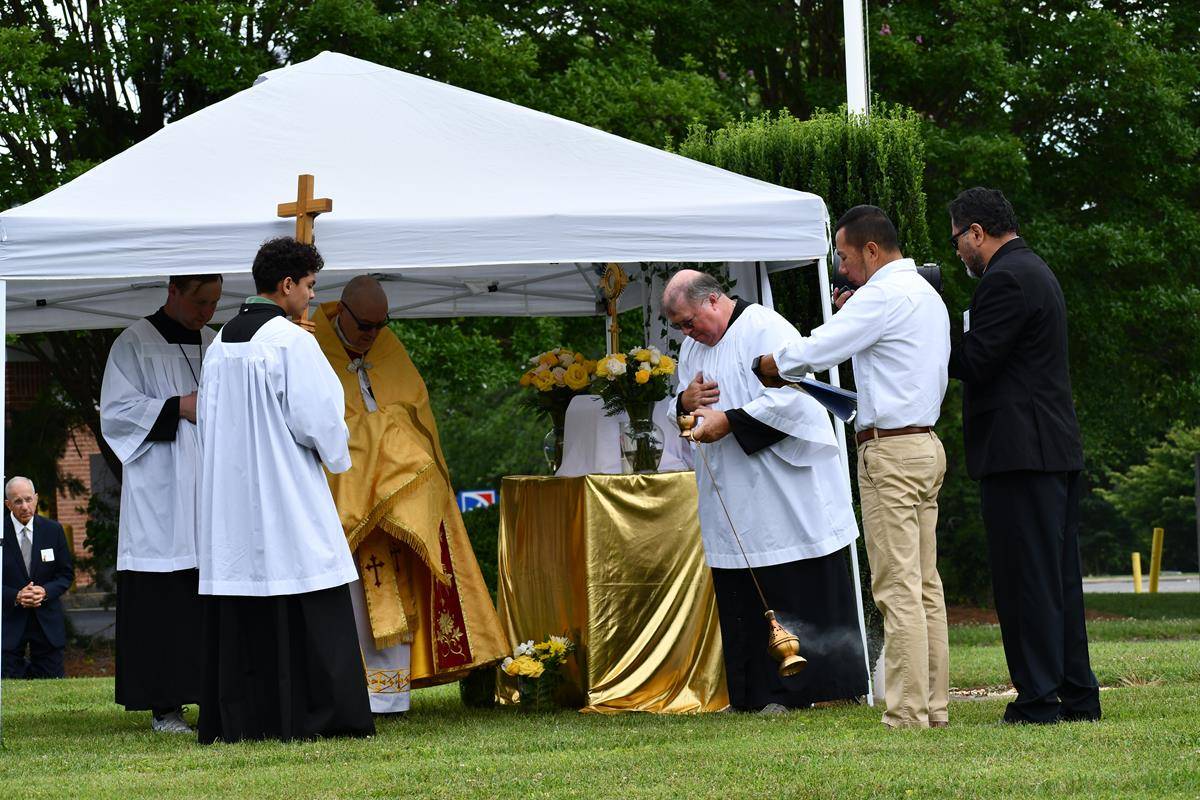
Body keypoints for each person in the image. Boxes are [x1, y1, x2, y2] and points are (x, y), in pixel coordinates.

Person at [755, 205, 952, 729]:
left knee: (896, 586)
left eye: (844, 257)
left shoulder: (883, 295)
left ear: (871, 248)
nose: (842, 268)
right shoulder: (926, 294)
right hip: (926, 445)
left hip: (889, 450)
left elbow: (822, 347)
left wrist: (775, 364)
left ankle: (907, 713)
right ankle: (933, 705)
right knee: (925, 584)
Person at [663, 269, 867, 713]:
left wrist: (730, 421)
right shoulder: (692, 348)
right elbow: (678, 403)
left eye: (688, 320)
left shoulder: (765, 327)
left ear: (714, 300)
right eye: (679, 326)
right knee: (742, 593)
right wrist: (685, 403)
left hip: (784, 489)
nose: (686, 332)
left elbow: (795, 397)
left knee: (797, 580)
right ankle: (757, 693)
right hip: (730, 493)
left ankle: (823, 688)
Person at [195, 237, 373, 743]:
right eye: (310, 286)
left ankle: (246, 719)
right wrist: (337, 455)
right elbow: (319, 419)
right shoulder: (292, 343)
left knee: (245, 599)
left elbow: (207, 423)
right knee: (307, 579)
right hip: (286, 490)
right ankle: (321, 715)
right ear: (287, 285)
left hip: (231, 500)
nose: (313, 298)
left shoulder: (222, 341)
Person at [313, 276, 507, 714]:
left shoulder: (387, 348)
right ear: (342, 311)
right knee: (349, 600)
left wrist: (390, 440)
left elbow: (415, 412)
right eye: (365, 325)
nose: (372, 335)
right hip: (344, 503)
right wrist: (376, 437)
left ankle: (390, 694)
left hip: (397, 501)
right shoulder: (311, 347)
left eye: (381, 325)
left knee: (398, 590)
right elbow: (322, 426)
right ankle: (351, 692)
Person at [947, 187, 1100, 724]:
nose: (958, 254)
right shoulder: (1035, 269)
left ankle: (1039, 700)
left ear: (976, 233)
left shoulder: (1004, 279)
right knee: (1057, 579)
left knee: (1025, 580)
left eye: (958, 242)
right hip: (1049, 449)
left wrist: (929, 329)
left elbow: (977, 361)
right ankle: (1078, 695)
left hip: (1020, 452)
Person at [100, 273, 222, 733]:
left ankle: (215, 696)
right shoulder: (133, 343)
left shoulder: (217, 344)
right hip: (161, 494)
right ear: (173, 292)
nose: (206, 312)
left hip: (211, 488)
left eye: (213, 303)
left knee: (211, 595)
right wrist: (179, 407)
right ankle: (165, 707)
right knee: (165, 601)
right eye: (199, 301)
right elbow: (115, 413)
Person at [2, 477, 74, 679]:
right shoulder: (0, 532)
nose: (25, 506)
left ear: (36, 498)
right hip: (8, 624)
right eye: (17, 501)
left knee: (52, 683)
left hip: (47, 623)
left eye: (28, 499)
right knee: (10, 684)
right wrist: (15, 596)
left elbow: (65, 574)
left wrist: (45, 591)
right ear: (7, 504)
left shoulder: (53, 531)